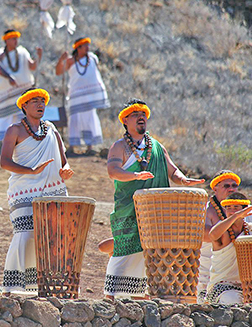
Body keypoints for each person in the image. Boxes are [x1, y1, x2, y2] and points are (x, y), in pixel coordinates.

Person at [104, 98, 204, 299]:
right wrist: (135, 176)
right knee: (124, 252)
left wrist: (183, 180)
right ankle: (110, 297)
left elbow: (172, 170)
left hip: (156, 212)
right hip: (128, 209)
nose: (141, 117)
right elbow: (113, 170)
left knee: (151, 254)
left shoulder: (157, 146)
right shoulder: (119, 147)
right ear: (125, 121)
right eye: (135, 115)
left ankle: (144, 298)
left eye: (143, 114)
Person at [0, 88, 74, 294]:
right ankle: (12, 287)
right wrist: (30, 171)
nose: (40, 104)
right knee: (25, 235)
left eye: (43, 100)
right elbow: (4, 162)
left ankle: (47, 287)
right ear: (24, 106)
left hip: (54, 192)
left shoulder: (52, 129)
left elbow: (64, 161)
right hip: (23, 192)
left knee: (53, 239)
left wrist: (65, 171)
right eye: (35, 101)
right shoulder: (14, 130)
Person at [55, 37, 110, 156]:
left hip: (89, 95)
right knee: (74, 118)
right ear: (78, 48)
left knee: (90, 117)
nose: (87, 48)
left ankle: (90, 146)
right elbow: (59, 72)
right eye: (84, 45)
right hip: (75, 95)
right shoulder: (70, 61)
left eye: (88, 45)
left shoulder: (92, 58)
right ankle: (72, 146)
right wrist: (61, 60)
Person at [0, 29, 42, 143]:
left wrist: (39, 57)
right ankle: (2, 141)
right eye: (13, 39)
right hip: (7, 93)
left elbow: (32, 67)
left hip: (22, 91)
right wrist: (8, 77)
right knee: (6, 117)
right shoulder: (0, 54)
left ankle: (24, 139)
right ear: (7, 40)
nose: (16, 41)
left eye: (16, 38)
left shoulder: (22, 52)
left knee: (22, 116)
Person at [198, 170, 240, 303]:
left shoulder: (243, 210)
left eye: (234, 186)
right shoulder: (205, 210)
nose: (231, 189)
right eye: (226, 186)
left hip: (235, 275)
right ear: (215, 188)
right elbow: (206, 236)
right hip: (209, 274)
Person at [206, 192, 252, 304]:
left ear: (245, 210)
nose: (231, 211)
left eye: (236, 208)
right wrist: (236, 215)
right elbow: (213, 235)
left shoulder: (249, 230)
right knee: (232, 300)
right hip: (222, 287)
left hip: (246, 286)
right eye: (228, 208)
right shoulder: (223, 230)